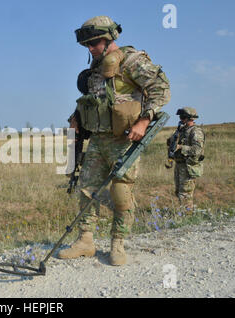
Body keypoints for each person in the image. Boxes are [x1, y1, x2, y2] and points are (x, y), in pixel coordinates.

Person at [58, 16, 171, 265]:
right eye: (86, 45)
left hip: (124, 140)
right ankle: (85, 241)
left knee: (121, 192)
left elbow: (161, 89)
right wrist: (76, 119)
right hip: (98, 140)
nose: (90, 49)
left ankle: (117, 244)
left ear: (108, 38)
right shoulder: (96, 69)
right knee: (87, 191)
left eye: (93, 43)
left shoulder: (132, 61)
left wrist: (143, 121)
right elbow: (94, 101)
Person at [167, 107, 205, 211]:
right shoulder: (181, 130)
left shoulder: (195, 131)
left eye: (183, 117)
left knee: (185, 193)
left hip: (188, 166)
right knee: (179, 192)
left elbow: (197, 150)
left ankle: (187, 217)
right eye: (180, 117)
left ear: (190, 118)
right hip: (179, 165)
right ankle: (183, 213)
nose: (181, 119)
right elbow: (171, 144)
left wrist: (180, 147)